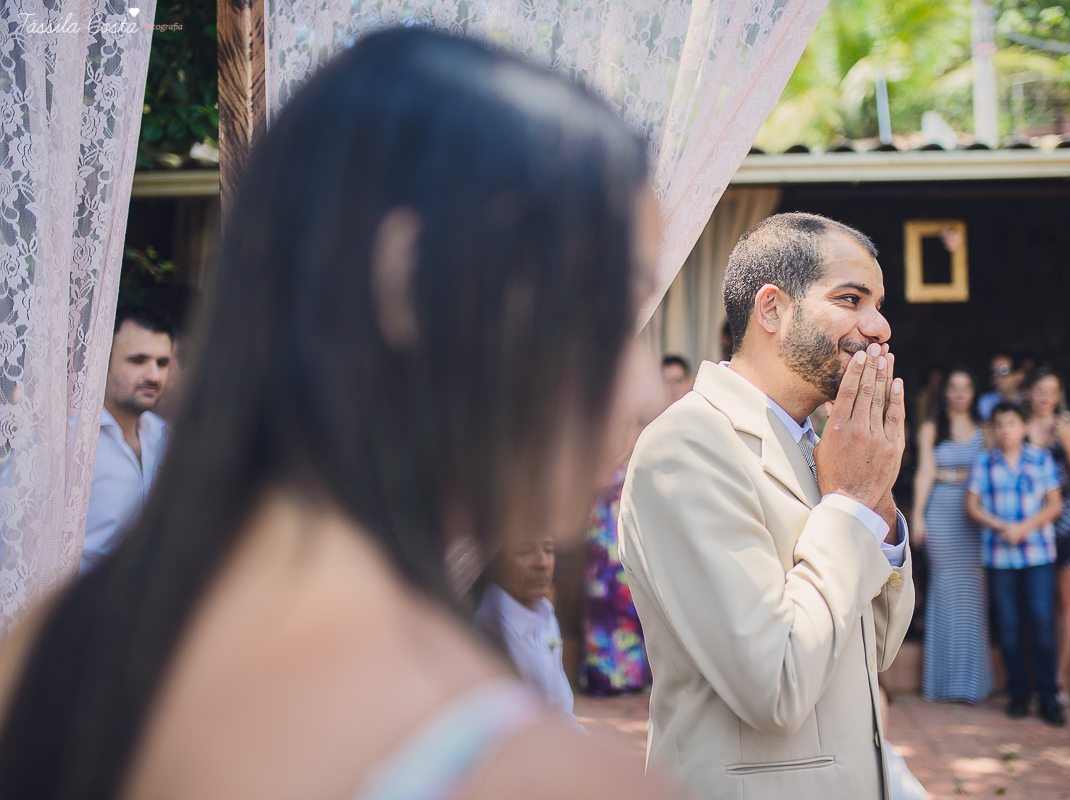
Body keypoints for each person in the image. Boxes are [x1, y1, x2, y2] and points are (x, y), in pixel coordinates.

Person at [0, 29, 678, 800]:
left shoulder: (54, 648)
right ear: (412, 281)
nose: (643, 392)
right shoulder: (535, 776)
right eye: (609, 310)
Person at [620, 212, 914, 800]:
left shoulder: (823, 445)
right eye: (851, 299)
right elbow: (775, 685)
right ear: (773, 309)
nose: (878, 326)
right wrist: (851, 503)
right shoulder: (688, 445)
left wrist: (876, 504)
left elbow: (875, 647)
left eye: (878, 304)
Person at [966, 402, 1064, 725]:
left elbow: (1054, 505)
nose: (1005, 429)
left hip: (1037, 554)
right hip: (999, 555)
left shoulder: (1042, 459)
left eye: (1011, 423)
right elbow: (972, 506)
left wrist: (1023, 527)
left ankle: (1049, 697)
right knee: (1008, 627)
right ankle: (1019, 694)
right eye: (999, 424)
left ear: (1024, 427)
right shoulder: (985, 462)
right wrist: (1000, 526)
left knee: (1042, 625)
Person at [911, 367, 993, 703]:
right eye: (953, 387)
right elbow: (926, 473)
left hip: (975, 518)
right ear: (944, 392)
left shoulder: (985, 431)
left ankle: (971, 685)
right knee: (944, 592)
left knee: (974, 597)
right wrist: (916, 515)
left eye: (966, 387)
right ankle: (942, 684)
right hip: (942, 514)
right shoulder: (933, 427)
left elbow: (992, 472)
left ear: (974, 392)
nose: (960, 393)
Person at [81, 307, 175, 573]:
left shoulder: (164, 437)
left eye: (162, 363)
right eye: (137, 360)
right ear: (104, 360)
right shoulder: (69, 441)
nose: (154, 376)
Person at [1025, 367, 1070, 707]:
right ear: (1028, 392)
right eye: (1039, 390)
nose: (1045, 397)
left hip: (1067, 520)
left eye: (1052, 391)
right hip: (1026, 520)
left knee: (1064, 601)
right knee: (1036, 604)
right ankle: (1035, 676)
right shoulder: (1019, 425)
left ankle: (1060, 676)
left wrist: (1065, 442)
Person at [475, 534, 576, 722]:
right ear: (496, 562)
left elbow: (563, 710)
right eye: (525, 551)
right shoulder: (485, 629)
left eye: (548, 550)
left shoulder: (546, 616)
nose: (543, 563)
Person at [581, 467, 649, 695]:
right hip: (601, 551)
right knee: (600, 614)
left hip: (621, 551)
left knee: (627, 613)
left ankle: (629, 677)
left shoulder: (635, 468)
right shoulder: (602, 467)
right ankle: (602, 677)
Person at [977, 353, 1024, 422]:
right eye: (994, 371)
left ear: (1019, 375)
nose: (998, 377)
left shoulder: (1030, 400)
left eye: (1004, 370)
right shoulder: (985, 402)